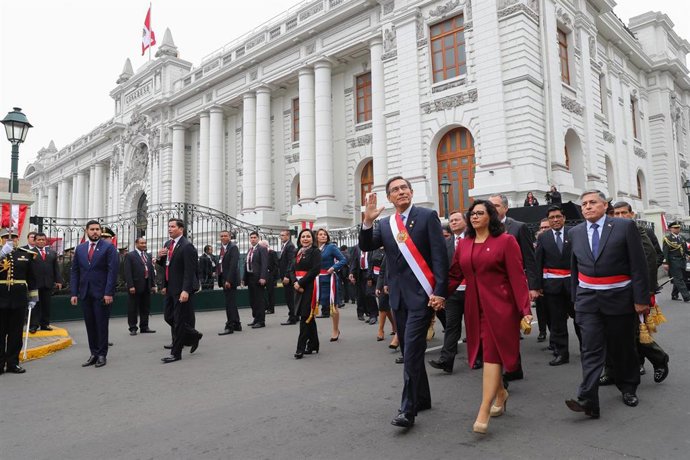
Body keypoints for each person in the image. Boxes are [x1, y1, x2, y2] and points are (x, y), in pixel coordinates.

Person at [359, 176, 448, 429]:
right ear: (389, 197)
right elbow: (366, 245)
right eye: (395, 190)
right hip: (398, 297)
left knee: (410, 352)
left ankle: (407, 410)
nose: (400, 192)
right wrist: (367, 220)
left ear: (411, 191)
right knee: (408, 350)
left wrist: (440, 291)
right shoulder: (386, 224)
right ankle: (423, 398)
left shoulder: (427, 216)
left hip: (422, 296)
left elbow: (440, 257)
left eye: (404, 188)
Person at [447, 200, 532, 434]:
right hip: (474, 307)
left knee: (492, 355)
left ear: (491, 217)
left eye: (480, 213)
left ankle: (483, 409)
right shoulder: (464, 244)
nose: (474, 217)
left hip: (501, 307)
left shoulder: (506, 241)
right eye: (472, 214)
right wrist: (439, 295)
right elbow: (454, 275)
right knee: (484, 352)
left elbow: (517, 277)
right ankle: (501, 394)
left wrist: (525, 310)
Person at [565, 190, 649, 419]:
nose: (587, 207)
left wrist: (641, 299)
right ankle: (588, 399)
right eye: (584, 204)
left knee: (622, 348)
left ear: (604, 205)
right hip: (587, 300)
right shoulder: (575, 232)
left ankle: (629, 387)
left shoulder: (623, 227)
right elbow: (575, 269)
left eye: (593, 202)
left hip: (619, 298)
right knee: (590, 349)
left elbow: (638, 265)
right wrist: (576, 298)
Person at [606, 202, 669, 383]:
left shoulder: (638, 231)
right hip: (614, 291)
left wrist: (645, 291)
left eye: (623, 213)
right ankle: (615, 369)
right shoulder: (611, 231)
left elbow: (649, 259)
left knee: (633, 332)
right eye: (615, 213)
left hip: (634, 291)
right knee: (613, 333)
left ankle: (659, 359)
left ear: (631, 214)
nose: (619, 217)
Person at [489, 194, 540, 380]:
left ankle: (510, 368)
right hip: (492, 287)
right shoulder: (483, 228)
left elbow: (529, 258)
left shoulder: (518, 227)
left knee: (508, 327)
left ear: (505, 208)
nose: (492, 209)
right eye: (489, 206)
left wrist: (532, 286)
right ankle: (511, 366)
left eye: (495, 205)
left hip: (513, 286)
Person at [535, 206, 580, 366]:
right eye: (552, 217)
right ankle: (562, 353)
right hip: (552, 287)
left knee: (580, 319)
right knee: (557, 322)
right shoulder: (543, 238)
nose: (555, 220)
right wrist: (536, 286)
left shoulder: (575, 233)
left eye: (558, 217)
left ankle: (586, 349)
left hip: (574, 284)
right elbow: (538, 262)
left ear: (564, 218)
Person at [70, 220, 119, 368]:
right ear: (87, 231)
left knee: (101, 324)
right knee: (90, 324)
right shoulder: (80, 249)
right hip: (85, 293)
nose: (95, 232)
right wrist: (74, 293)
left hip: (102, 294)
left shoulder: (109, 247)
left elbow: (112, 271)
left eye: (97, 229)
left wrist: (108, 292)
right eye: (92, 229)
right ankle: (93, 353)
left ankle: (102, 354)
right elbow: (75, 272)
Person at [429, 210, 470, 374]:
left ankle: (479, 356)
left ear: (465, 222)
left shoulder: (473, 240)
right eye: (451, 220)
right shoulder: (445, 244)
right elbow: (441, 269)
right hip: (453, 293)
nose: (453, 222)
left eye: (457, 219)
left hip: (472, 291)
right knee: (452, 326)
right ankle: (446, 360)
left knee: (474, 326)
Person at [157, 218, 203, 363]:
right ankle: (193, 334)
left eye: (172, 227)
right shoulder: (168, 244)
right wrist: (160, 257)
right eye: (168, 226)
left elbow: (190, 272)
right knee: (168, 317)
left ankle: (175, 353)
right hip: (170, 288)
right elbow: (166, 267)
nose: (169, 229)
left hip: (181, 289)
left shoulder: (187, 246)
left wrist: (186, 290)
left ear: (181, 229)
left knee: (178, 320)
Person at [0, 230, 38, 374]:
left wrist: (33, 298)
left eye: (14, 237)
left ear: (18, 239)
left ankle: (12, 363)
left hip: (19, 299)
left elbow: (32, 278)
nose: (10, 240)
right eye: (6, 237)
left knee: (16, 334)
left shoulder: (26, 254)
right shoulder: (1, 252)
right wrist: (2, 253)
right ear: (2, 239)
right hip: (1, 297)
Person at [290, 229, 322, 359]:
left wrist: (301, 283)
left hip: (309, 286)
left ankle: (300, 348)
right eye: (303, 236)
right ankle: (314, 344)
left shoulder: (315, 252)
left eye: (308, 236)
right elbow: (291, 269)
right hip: (298, 286)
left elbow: (315, 270)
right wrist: (295, 283)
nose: (305, 239)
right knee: (308, 316)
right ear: (299, 239)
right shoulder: (296, 252)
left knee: (304, 316)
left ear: (312, 239)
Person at [314, 229, 346, 341]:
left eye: (325, 235)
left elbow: (343, 260)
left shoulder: (331, 247)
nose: (323, 236)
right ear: (316, 237)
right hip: (316, 280)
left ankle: (335, 330)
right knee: (315, 305)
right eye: (320, 234)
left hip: (329, 279)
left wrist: (334, 268)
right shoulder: (314, 249)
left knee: (334, 306)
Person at [29, 232, 63, 333]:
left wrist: (58, 280)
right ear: (35, 241)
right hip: (34, 284)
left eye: (43, 239)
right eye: (39, 240)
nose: (41, 241)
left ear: (46, 241)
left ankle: (45, 324)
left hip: (48, 283)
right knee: (35, 305)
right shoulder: (30, 253)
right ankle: (34, 325)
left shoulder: (52, 253)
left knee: (46, 304)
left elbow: (56, 268)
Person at [123, 237, 157, 335]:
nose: (143, 245)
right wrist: (130, 286)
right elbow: (127, 272)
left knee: (145, 307)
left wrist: (153, 284)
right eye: (141, 243)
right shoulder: (130, 255)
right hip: (135, 286)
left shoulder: (148, 255)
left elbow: (151, 271)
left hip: (146, 285)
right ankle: (133, 328)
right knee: (133, 308)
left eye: (145, 243)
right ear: (136, 244)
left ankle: (144, 327)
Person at [218, 230, 241, 335]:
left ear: (230, 237)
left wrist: (228, 280)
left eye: (225, 236)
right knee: (231, 303)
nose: (223, 237)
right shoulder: (223, 248)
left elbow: (233, 265)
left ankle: (230, 326)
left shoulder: (233, 248)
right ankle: (237, 324)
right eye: (221, 236)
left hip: (229, 280)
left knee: (229, 304)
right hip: (224, 279)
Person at [244, 231, 268, 328]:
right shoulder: (250, 250)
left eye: (254, 237)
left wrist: (263, 277)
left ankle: (261, 321)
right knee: (252, 300)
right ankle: (256, 318)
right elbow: (246, 263)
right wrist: (243, 278)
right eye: (251, 238)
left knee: (259, 300)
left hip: (258, 278)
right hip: (250, 277)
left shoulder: (262, 249)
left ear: (258, 238)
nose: (253, 239)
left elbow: (264, 264)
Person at [662, 221, 690, 302]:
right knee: (679, 279)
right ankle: (687, 297)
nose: (678, 229)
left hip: (682, 260)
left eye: (678, 228)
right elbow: (665, 252)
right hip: (673, 261)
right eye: (675, 228)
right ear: (671, 229)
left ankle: (674, 294)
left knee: (682, 278)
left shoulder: (681, 238)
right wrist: (665, 263)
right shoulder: (667, 238)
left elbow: (685, 250)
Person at [349, 246, 378, 322]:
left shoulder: (372, 248)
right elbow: (354, 261)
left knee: (369, 294)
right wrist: (351, 273)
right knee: (361, 294)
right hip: (360, 273)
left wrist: (370, 277)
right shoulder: (357, 248)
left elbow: (373, 262)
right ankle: (361, 313)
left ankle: (373, 314)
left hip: (370, 273)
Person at [375, 254, 398, 348]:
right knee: (382, 305)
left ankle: (397, 332)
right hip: (386, 284)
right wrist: (378, 286)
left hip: (400, 283)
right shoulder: (388, 253)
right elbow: (382, 271)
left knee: (397, 309)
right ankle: (381, 330)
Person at [278, 230, 298, 325]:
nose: (281, 237)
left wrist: (286, 276)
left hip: (288, 277)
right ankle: (295, 315)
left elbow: (291, 262)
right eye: (280, 235)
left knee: (290, 298)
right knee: (290, 297)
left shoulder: (290, 246)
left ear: (288, 236)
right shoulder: (285, 246)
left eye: (283, 235)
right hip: (286, 276)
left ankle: (292, 317)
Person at [259, 240, 279, 315]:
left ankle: (271, 308)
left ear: (265, 246)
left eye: (261, 246)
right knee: (261, 292)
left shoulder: (272, 252)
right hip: (262, 275)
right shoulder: (261, 253)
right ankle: (265, 307)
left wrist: (272, 274)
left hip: (270, 275)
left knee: (270, 293)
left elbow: (276, 265)